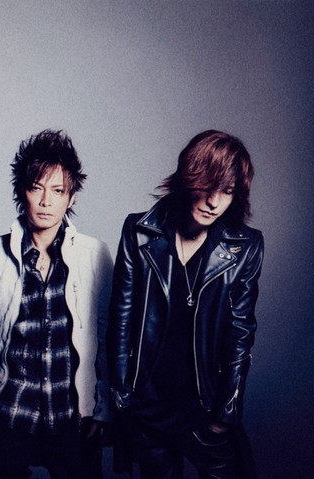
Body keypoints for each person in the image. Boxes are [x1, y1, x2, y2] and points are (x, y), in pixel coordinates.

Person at [108, 130, 263, 478]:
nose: (214, 202)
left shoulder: (245, 247)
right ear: (186, 178)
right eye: (207, 186)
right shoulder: (139, 232)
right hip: (147, 406)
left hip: (205, 408)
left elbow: (240, 334)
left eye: (227, 191)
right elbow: (121, 318)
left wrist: (226, 415)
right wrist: (122, 396)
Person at [0, 130, 113, 478]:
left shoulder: (94, 254)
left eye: (58, 191)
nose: (46, 201)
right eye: (37, 188)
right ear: (22, 191)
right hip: (9, 415)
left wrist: (103, 409)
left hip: (73, 420)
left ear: (71, 196)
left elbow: (108, 339)